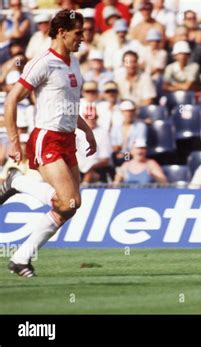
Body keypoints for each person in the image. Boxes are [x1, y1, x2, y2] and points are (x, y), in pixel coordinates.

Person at [1, 10, 97, 277]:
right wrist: (14, 142)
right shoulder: (42, 62)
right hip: (47, 137)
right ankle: (17, 182)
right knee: (67, 202)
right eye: (78, 33)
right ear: (61, 32)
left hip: (67, 138)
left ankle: (20, 258)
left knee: (71, 207)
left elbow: (68, 104)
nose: (82, 38)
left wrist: (86, 130)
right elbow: (11, 100)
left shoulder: (73, 62)